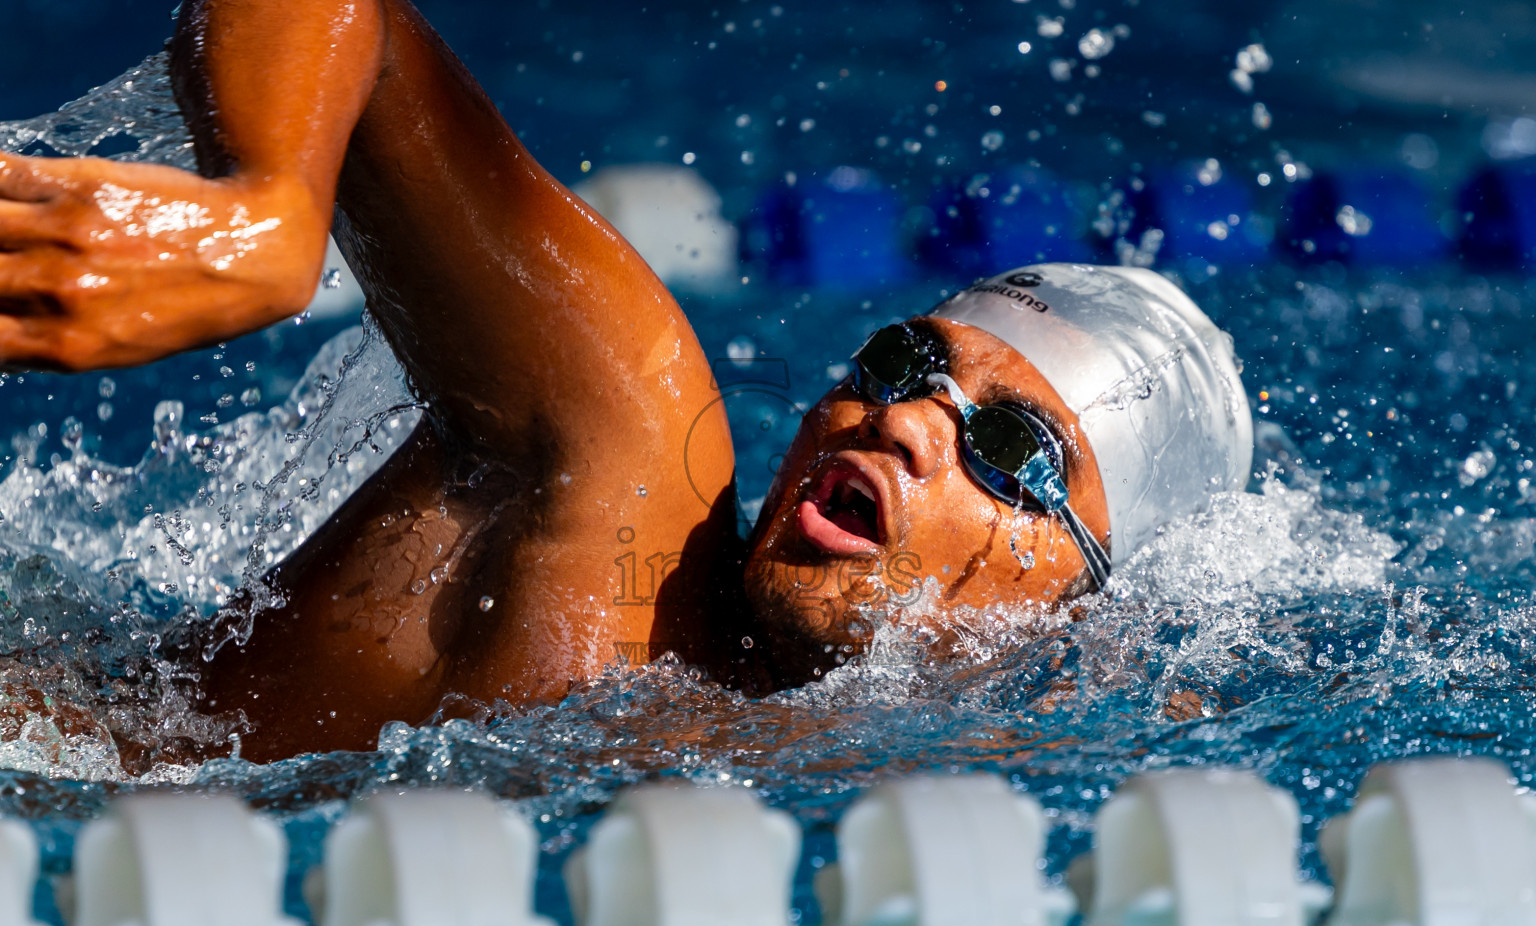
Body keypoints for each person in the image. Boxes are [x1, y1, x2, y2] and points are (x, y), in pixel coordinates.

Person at [0, 0, 1251, 762]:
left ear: (1089, 608)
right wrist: (268, 208)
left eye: (1015, 451)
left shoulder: (964, 797)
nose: (909, 419)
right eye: (901, 360)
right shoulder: (628, 466)